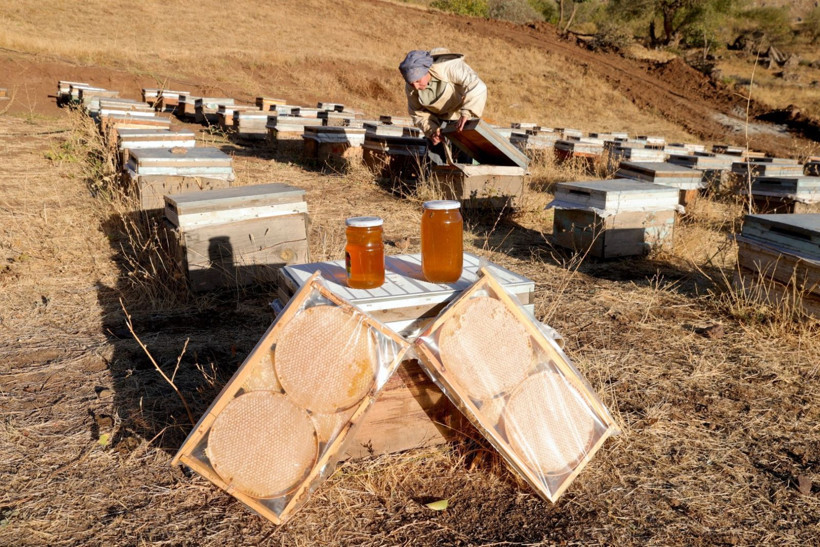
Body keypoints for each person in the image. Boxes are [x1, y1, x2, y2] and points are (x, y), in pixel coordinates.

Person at [398, 48, 487, 165]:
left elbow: (477, 85)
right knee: (435, 160)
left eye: (418, 81)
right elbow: (417, 112)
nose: (415, 86)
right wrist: (432, 131)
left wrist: (467, 113)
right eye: (411, 83)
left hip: (461, 119)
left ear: (426, 71)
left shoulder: (448, 66)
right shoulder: (411, 88)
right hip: (437, 121)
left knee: (463, 160)